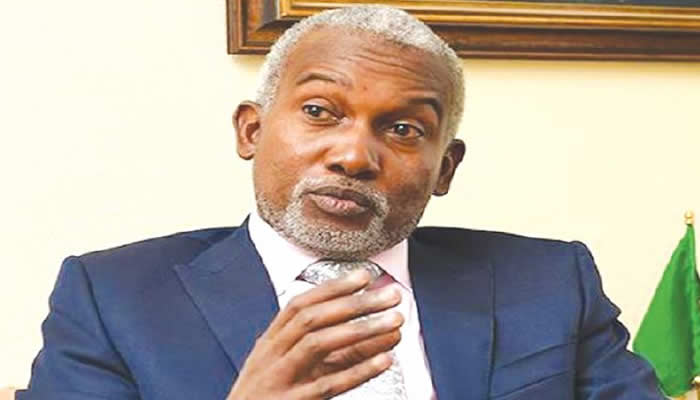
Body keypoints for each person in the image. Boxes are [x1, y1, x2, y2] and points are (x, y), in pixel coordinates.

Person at [17, 5, 664, 400]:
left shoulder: (550, 284)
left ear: (445, 168)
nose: (354, 156)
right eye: (320, 112)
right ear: (251, 131)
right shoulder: (113, 298)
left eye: (404, 129)